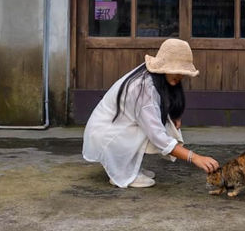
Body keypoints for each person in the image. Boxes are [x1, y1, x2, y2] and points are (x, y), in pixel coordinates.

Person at [82, 38, 220, 188]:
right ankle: (121, 174)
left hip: (115, 128)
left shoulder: (154, 76)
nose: (180, 75)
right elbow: (157, 135)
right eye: (176, 70)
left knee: (164, 125)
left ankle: (130, 167)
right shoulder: (143, 89)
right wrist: (194, 158)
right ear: (164, 66)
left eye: (182, 71)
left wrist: (174, 116)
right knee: (152, 130)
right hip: (105, 136)